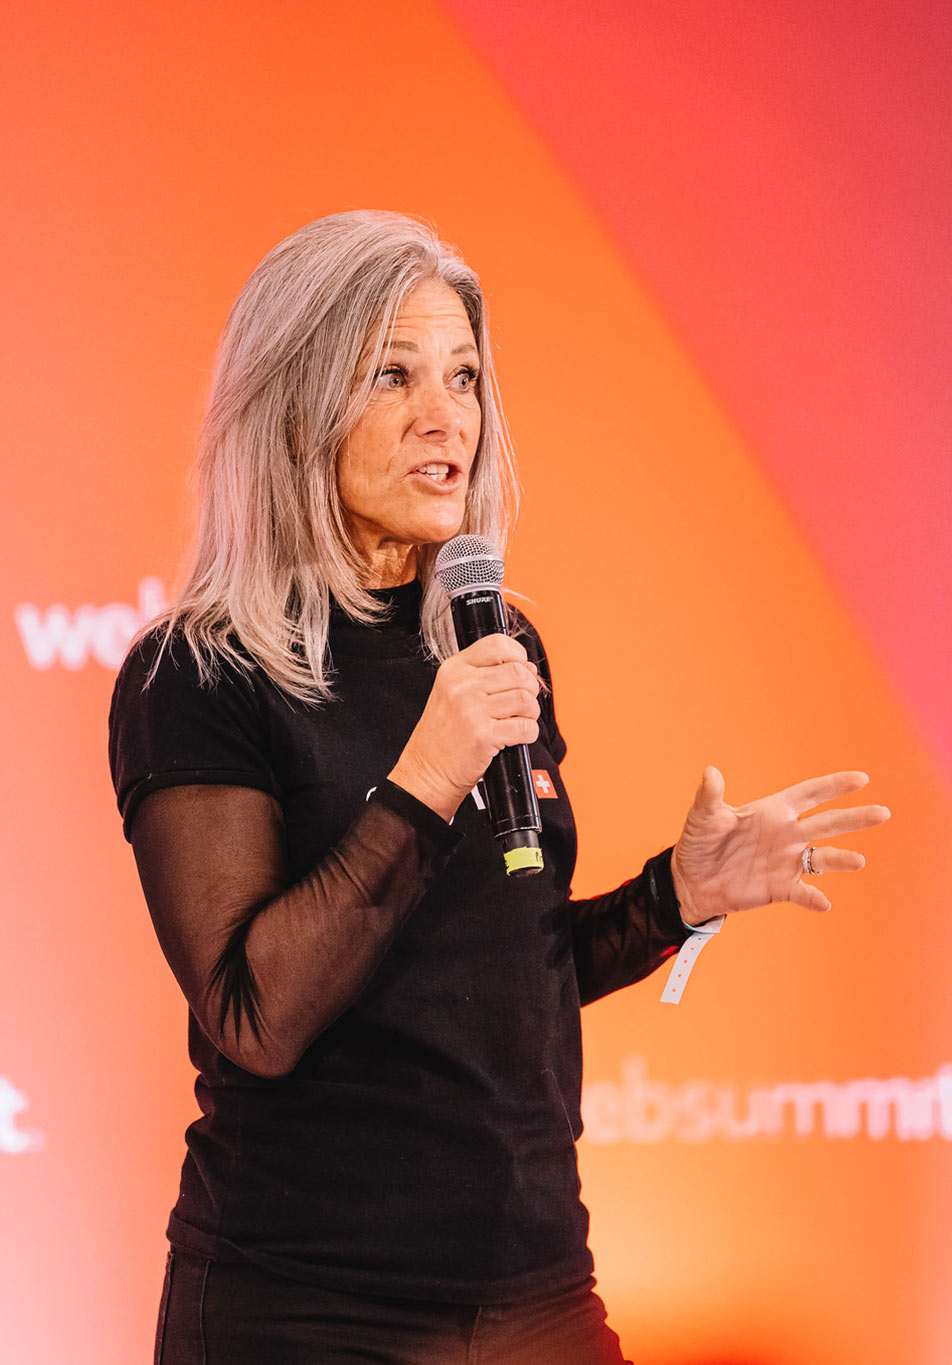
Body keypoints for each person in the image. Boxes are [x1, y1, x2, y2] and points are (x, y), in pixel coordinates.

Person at [108, 211, 889, 1365]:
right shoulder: (201, 673)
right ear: (294, 403)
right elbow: (255, 1017)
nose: (447, 417)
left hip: (536, 1298)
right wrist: (426, 774)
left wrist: (674, 897)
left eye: (465, 376)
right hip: (304, 1311)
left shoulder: (486, 642)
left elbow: (503, 983)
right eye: (393, 373)